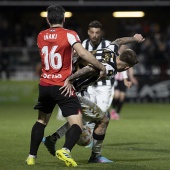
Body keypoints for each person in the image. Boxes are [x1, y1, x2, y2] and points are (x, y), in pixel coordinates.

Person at [42, 33, 145, 163]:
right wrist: (69, 79)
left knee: (83, 118)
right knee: (104, 120)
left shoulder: (110, 50)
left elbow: (119, 40)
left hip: (66, 87)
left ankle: (52, 139)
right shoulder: (110, 68)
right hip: (74, 92)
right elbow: (90, 68)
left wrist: (134, 39)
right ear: (127, 67)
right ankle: (94, 155)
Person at [25, 4, 106, 167]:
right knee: (77, 123)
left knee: (41, 121)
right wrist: (100, 66)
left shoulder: (40, 35)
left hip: (45, 85)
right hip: (63, 86)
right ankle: (65, 150)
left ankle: (31, 157)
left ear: (48, 20)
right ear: (64, 19)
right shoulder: (70, 34)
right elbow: (83, 53)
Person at [110, 45, 138, 120]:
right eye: (122, 46)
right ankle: (113, 110)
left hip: (123, 79)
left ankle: (117, 113)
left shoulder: (128, 56)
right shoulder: (116, 54)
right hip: (115, 78)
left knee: (122, 96)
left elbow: (130, 68)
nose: (123, 47)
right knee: (116, 95)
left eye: (124, 46)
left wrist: (131, 77)